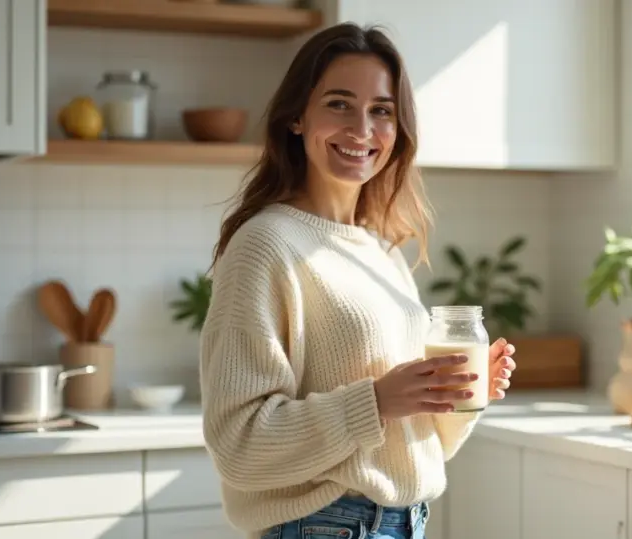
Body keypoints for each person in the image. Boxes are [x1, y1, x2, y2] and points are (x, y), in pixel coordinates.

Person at [199, 22, 518, 539]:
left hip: (404, 522)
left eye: (381, 111)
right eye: (339, 104)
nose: (362, 129)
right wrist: (376, 401)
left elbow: (410, 444)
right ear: (297, 117)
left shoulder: (381, 249)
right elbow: (238, 445)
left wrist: (460, 394)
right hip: (325, 528)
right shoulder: (266, 243)